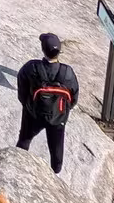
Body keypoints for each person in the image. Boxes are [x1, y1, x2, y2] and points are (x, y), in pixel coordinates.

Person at [15, 31, 79, 174]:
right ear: (59, 52)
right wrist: (62, 111)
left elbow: (22, 88)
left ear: (43, 50)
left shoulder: (31, 67)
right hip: (58, 117)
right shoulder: (67, 72)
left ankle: (16, 167)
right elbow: (74, 97)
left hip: (33, 114)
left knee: (24, 140)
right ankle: (54, 176)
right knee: (56, 150)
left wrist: (27, 104)